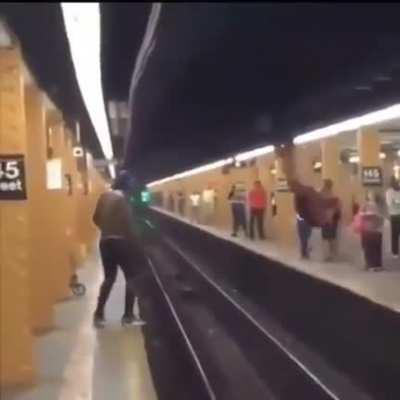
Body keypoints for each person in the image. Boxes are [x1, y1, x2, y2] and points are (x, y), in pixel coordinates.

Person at [92, 171, 146, 328]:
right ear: (127, 185)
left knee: (109, 278)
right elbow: (129, 225)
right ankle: (128, 316)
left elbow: (95, 218)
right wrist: (137, 243)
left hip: (105, 242)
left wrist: (107, 229)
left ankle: (98, 315)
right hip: (122, 242)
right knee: (133, 277)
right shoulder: (124, 200)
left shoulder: (104, 196)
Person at [275, 144, 339, 228]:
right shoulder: (310, 214)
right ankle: (285, 150)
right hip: (300, 189)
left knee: (293, 169)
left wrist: (334, 201)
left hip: (301, 187)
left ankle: (286, 149)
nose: (329, 218)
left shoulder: (318, 216)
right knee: (290, 170)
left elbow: (322, 203)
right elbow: (321, 203)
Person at [359, 191, 385, 271]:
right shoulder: (366, 205)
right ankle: (371, 265)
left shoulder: (378, 206)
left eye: (372, 195)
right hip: (369, 230)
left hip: (374, 230)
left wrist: (377, 217)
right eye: (370, 195)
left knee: (374, 248)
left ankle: (375, 265)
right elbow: (360, 215)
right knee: (370, 248)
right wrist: (369, 214)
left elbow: (382, 218)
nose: (371, 196)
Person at [320, 179, 341, 262]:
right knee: (331, 238)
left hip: (327, 219)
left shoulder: (324, 194)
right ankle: (331, 255)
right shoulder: (333, 194)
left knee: (327, 238)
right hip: (331, 219)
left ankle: (328, 255)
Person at [386, 176, 400, 258]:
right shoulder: (389, 192)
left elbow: (390, 203)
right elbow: (390, 203)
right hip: (395, 214)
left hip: (394, 215)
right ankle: (395, 252)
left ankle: (395, 252)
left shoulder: (389, 192)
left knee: (394, 234)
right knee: (395, 234)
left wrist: (395, 201)